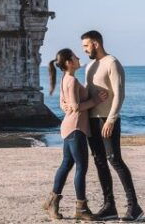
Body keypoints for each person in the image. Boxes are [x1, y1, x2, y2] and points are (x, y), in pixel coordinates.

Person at [79, 30, 144, 221]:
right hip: (92, 119)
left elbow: (119, 93)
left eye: (86, 46)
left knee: (114, 160)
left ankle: (134, 207)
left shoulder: (112, 63)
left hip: (107, 120)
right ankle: (109, 207)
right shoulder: (90, 66)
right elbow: (88, 92)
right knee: (99, 161)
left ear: (96, 44)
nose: (84, 50)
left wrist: (111, 119)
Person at [43, 48, 106, 221]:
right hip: (76, 128)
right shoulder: (71, 80)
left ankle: (52, 202)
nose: (79, 59)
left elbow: (63, 103)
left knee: (66, 164)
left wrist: (68, 106)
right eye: (76, 57)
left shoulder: (66, 78)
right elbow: (76, 107)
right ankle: (81, 208)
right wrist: (96, 100)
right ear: (69, 62)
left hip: (70, 127)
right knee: (81, 167)